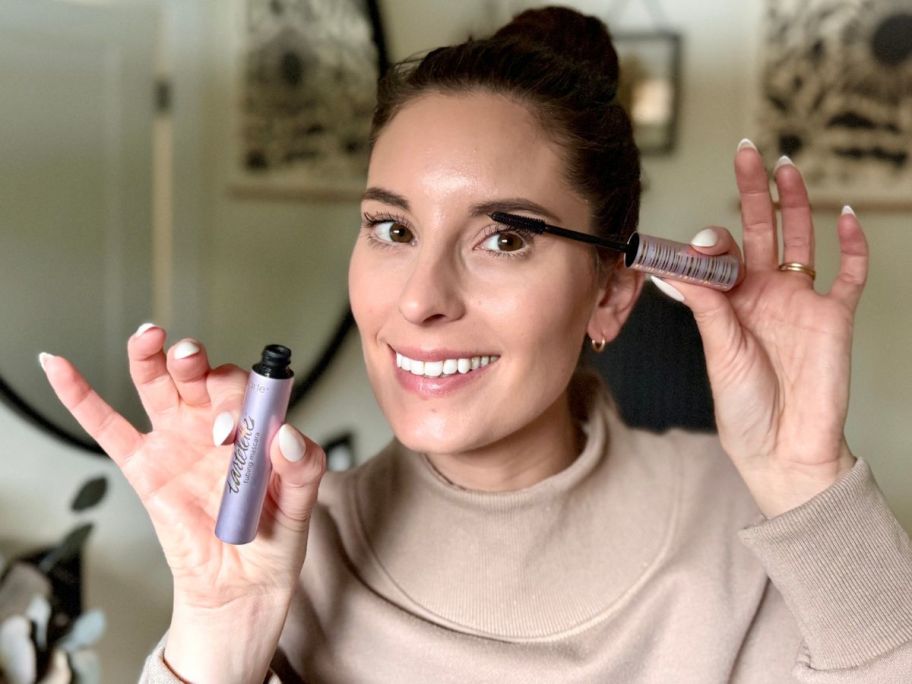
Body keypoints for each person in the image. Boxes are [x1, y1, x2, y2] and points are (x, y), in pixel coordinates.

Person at [40, 7, 911, 683]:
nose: (421, 300)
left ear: (611, 294)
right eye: (392, 229)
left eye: (504, 239)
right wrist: (221, 628)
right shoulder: (283, 555)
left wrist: (808, 482)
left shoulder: (757, 533)